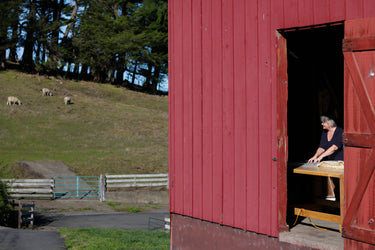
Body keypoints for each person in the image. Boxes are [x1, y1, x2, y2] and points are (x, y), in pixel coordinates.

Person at [308, 115, 343, 201]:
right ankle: (336, 204)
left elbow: (334, 147)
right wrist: (315, 156)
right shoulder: (324, 133)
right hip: (331, 164)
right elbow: (322, 147)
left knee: (340, 185)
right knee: (335, 183)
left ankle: (340, 205)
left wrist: (321, 157)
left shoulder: (340, 132)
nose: (322, 123)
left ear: (330, 123)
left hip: (340, 164)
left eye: (324, 122)